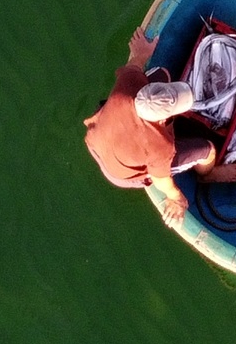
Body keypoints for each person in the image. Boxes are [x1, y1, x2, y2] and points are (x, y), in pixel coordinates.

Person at [84, 28, 221, 228]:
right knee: (208, 150)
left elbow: (135, 63)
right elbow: (162, 180)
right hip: (123, 172)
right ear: (164, 118)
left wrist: (142, 52)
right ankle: (208, 175)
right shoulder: (160, 146)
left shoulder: (128, 86)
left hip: (100, 140)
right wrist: (177, 199)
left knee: (162, 74)